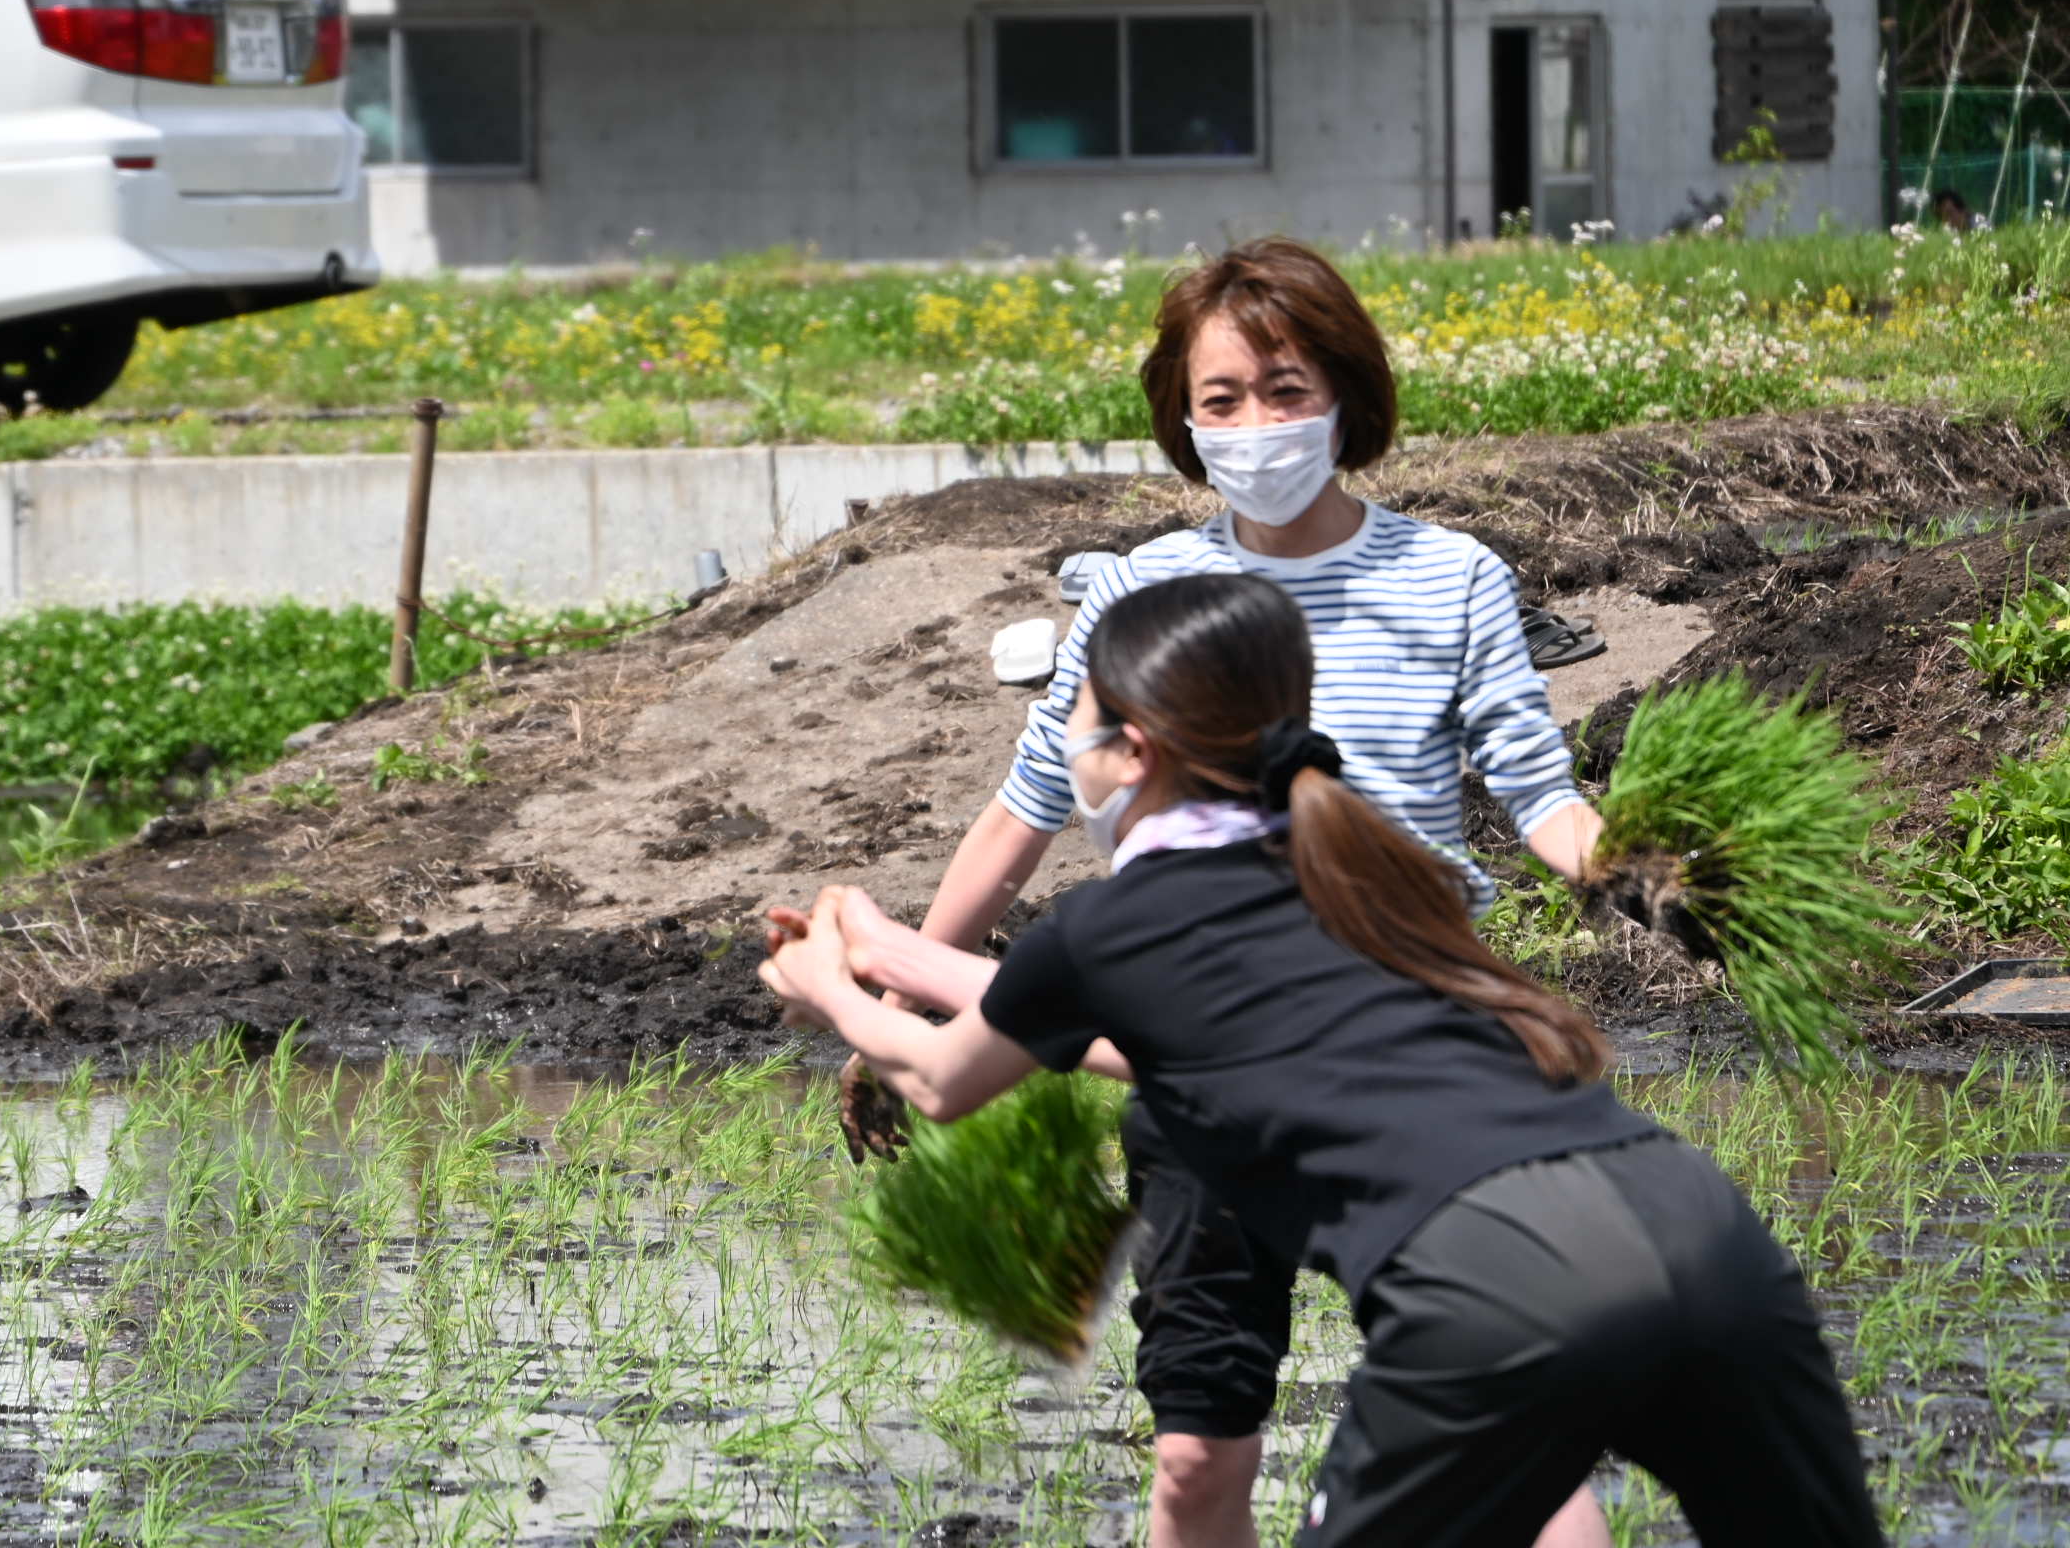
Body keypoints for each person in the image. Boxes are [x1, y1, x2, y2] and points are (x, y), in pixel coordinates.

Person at [767, 573, 1884, 1548]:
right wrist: (884, 945)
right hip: (1703, 1227)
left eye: (1078, 720)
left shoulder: (1112, 924)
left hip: (1498, 1279)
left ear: (1133, 752)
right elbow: (1150, 1029)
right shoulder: (1368, 868)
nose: (1066, 745)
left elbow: (941, 1078)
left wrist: (829, 990)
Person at [840, 236, 1614, 1548]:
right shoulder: (1140, 593)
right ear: (1183, 420)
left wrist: (1648, 873)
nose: (1257, 424)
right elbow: (1027, 808)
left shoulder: (1452, 579)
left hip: (1404, 1050)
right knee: (1198, 1459)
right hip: (1201, 1066)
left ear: (1348, 397)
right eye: (1223, 399)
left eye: (1288, 389)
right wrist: (903, 993)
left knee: (1514, 1440)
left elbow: (1543, 799)